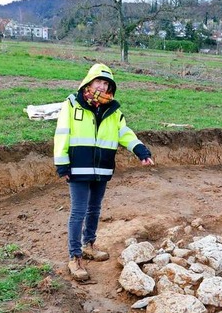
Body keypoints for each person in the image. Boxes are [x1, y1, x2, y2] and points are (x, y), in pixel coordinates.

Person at [54, 63, 154, 282]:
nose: (102, 86)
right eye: (99, 81)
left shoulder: (113, 111)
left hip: (101, 169)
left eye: (107, 83)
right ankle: (75, 256)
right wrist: (62, 164)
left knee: (94, 209)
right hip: (78, 168)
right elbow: (62, 134)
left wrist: (140, 150)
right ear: (89, 82)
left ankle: (89, 244)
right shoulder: (72, 105)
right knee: (78, 212)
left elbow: (124, 133)